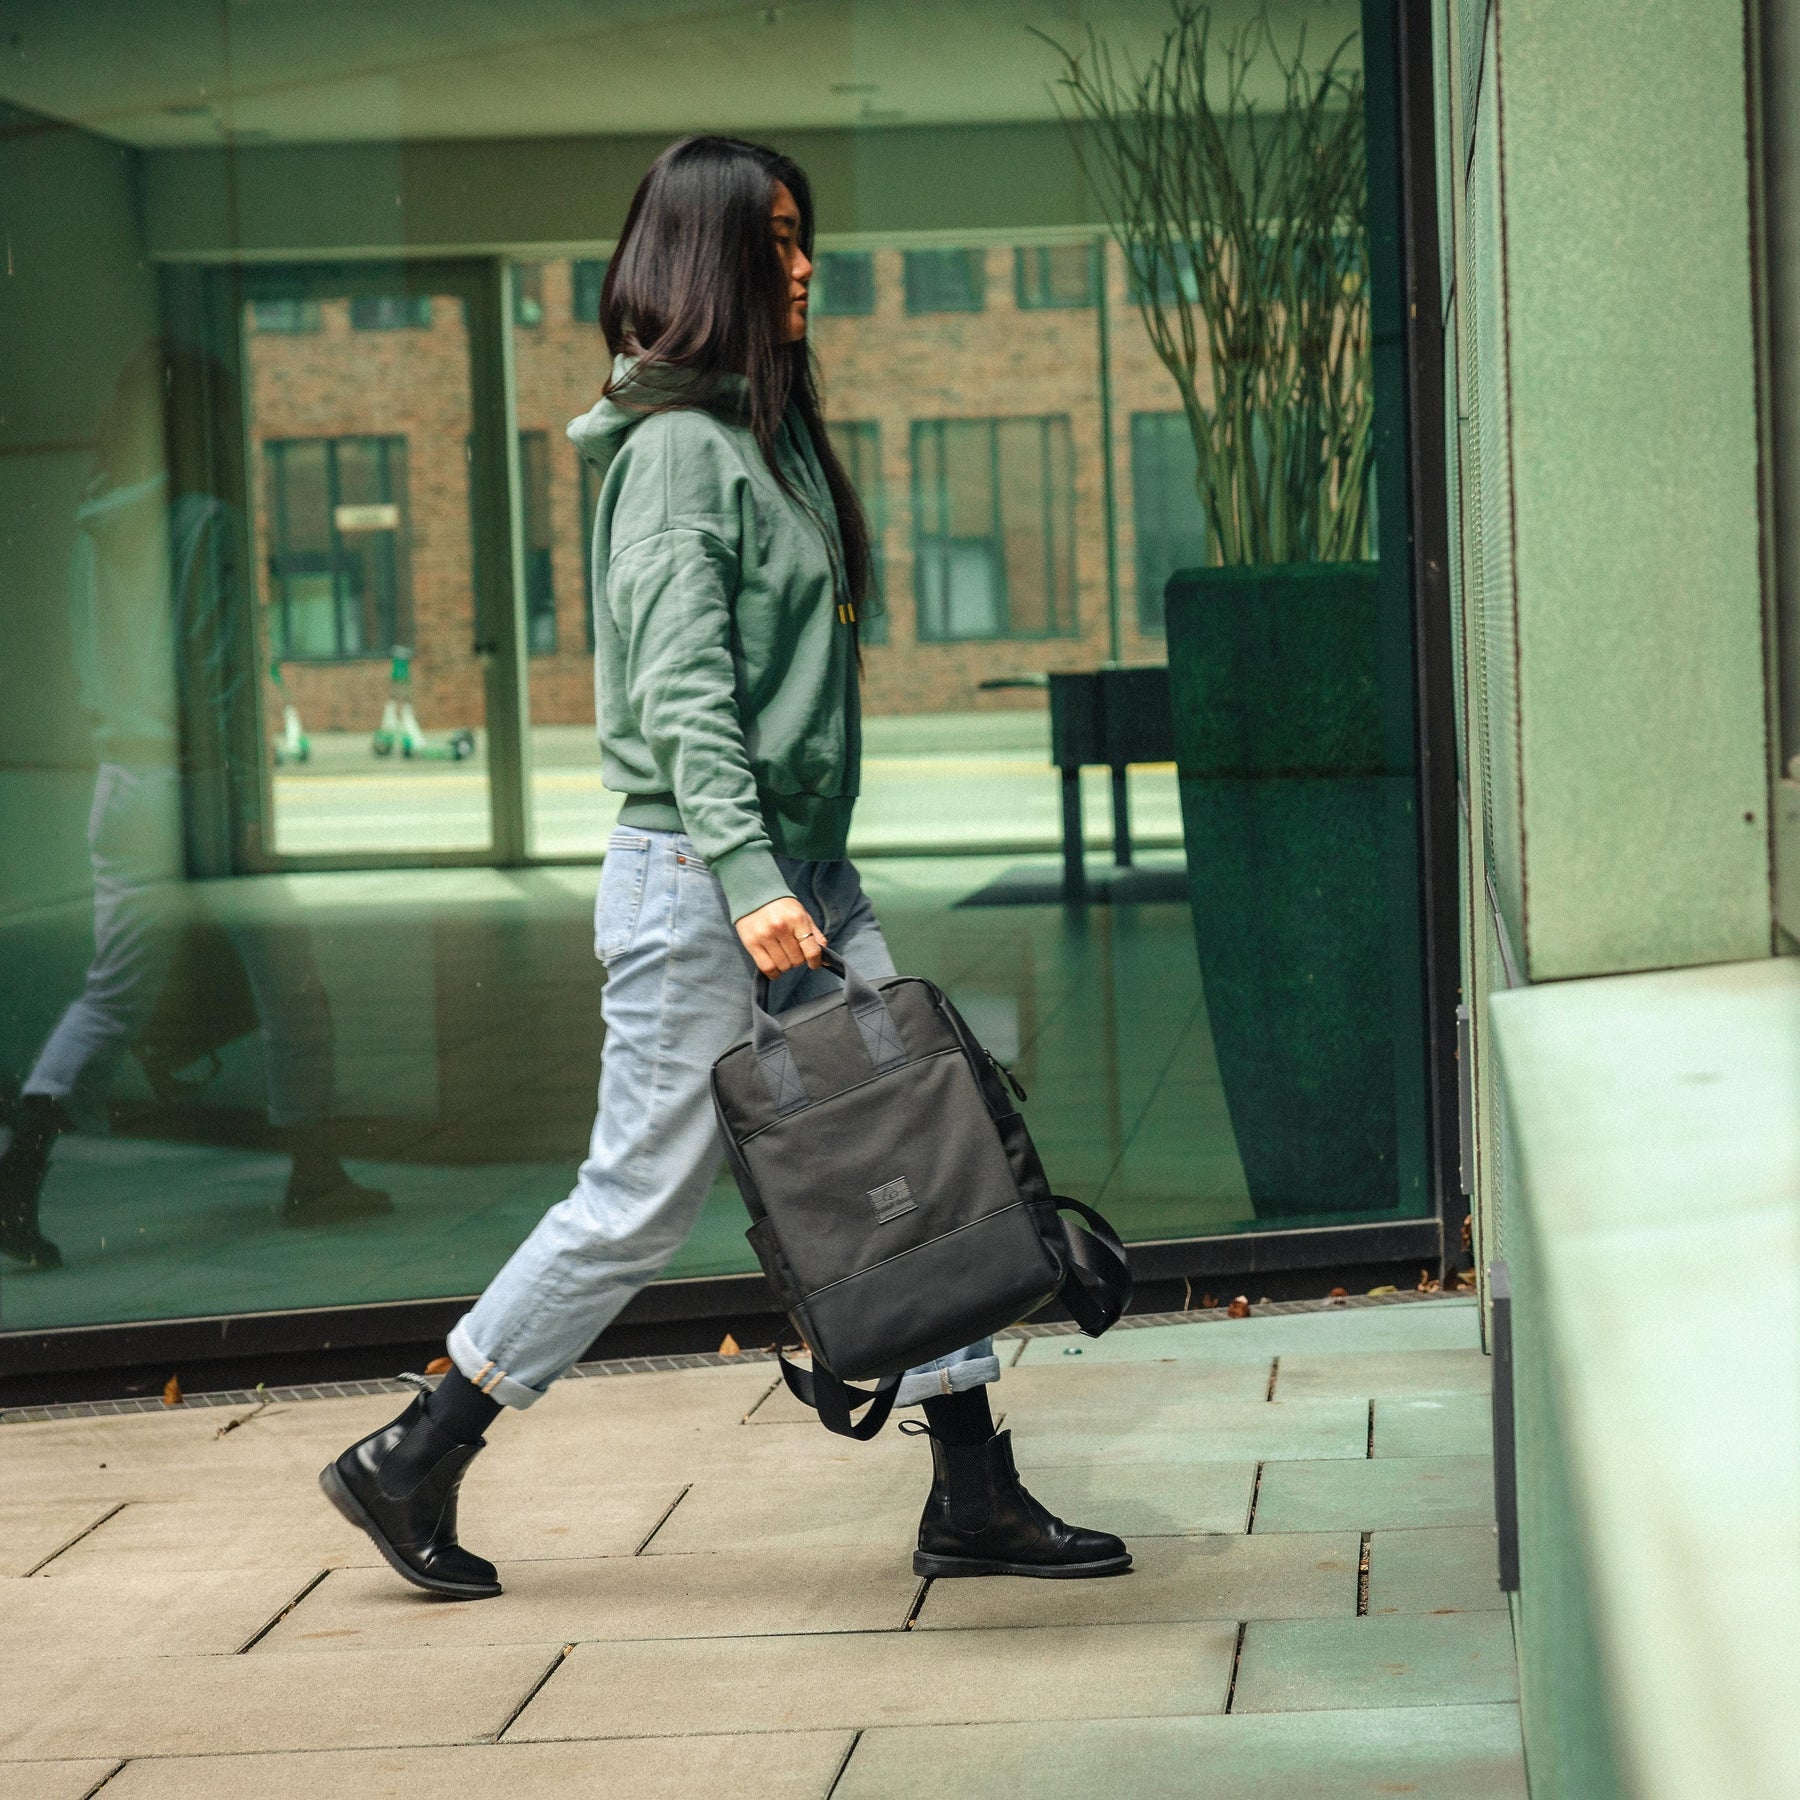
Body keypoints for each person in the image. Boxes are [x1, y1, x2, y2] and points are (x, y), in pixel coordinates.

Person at [319, 135, 1129, 1599]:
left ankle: (974, 1489)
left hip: (798, 870)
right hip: (709, 877)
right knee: (638, 1196)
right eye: (775, 240)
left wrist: (794, 870)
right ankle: (418, 1449)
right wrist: (754, 875)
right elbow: (686, 693)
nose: (804, 263)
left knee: (925, 1157)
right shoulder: (679, 456)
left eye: (805, 237)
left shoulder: (770, 436)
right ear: (706, 263)